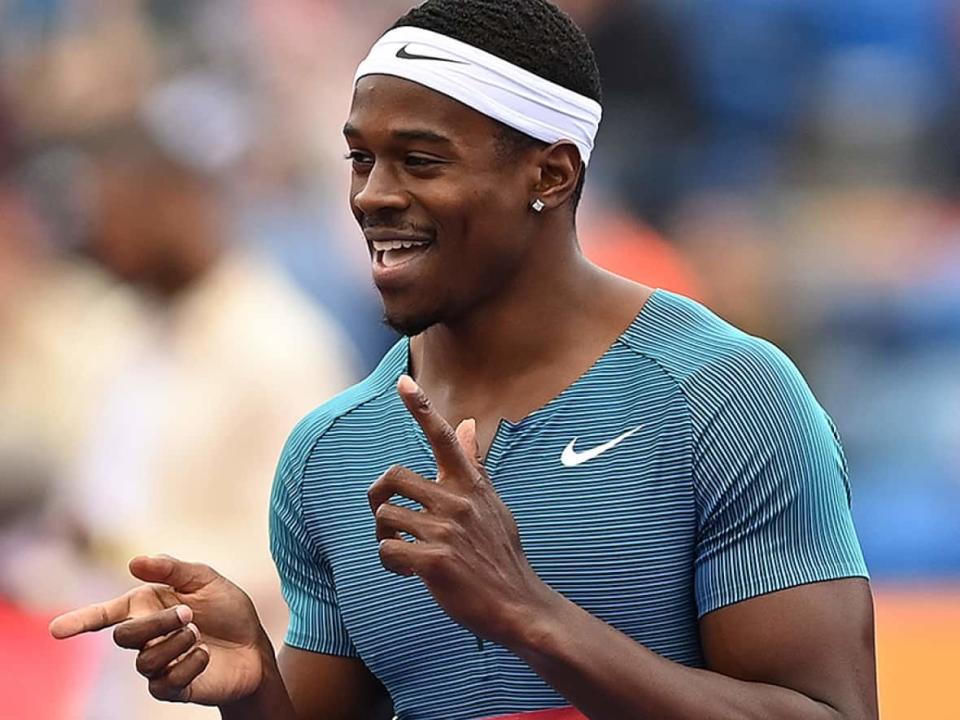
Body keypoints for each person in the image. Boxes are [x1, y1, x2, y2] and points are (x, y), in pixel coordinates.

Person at [49, 1, 878, 719]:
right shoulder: (330, 452)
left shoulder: (726, 397)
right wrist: (255, 691)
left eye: (420, 160)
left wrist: (527, 613)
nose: (372, 194)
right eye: (360, 158)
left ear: (549, 173)